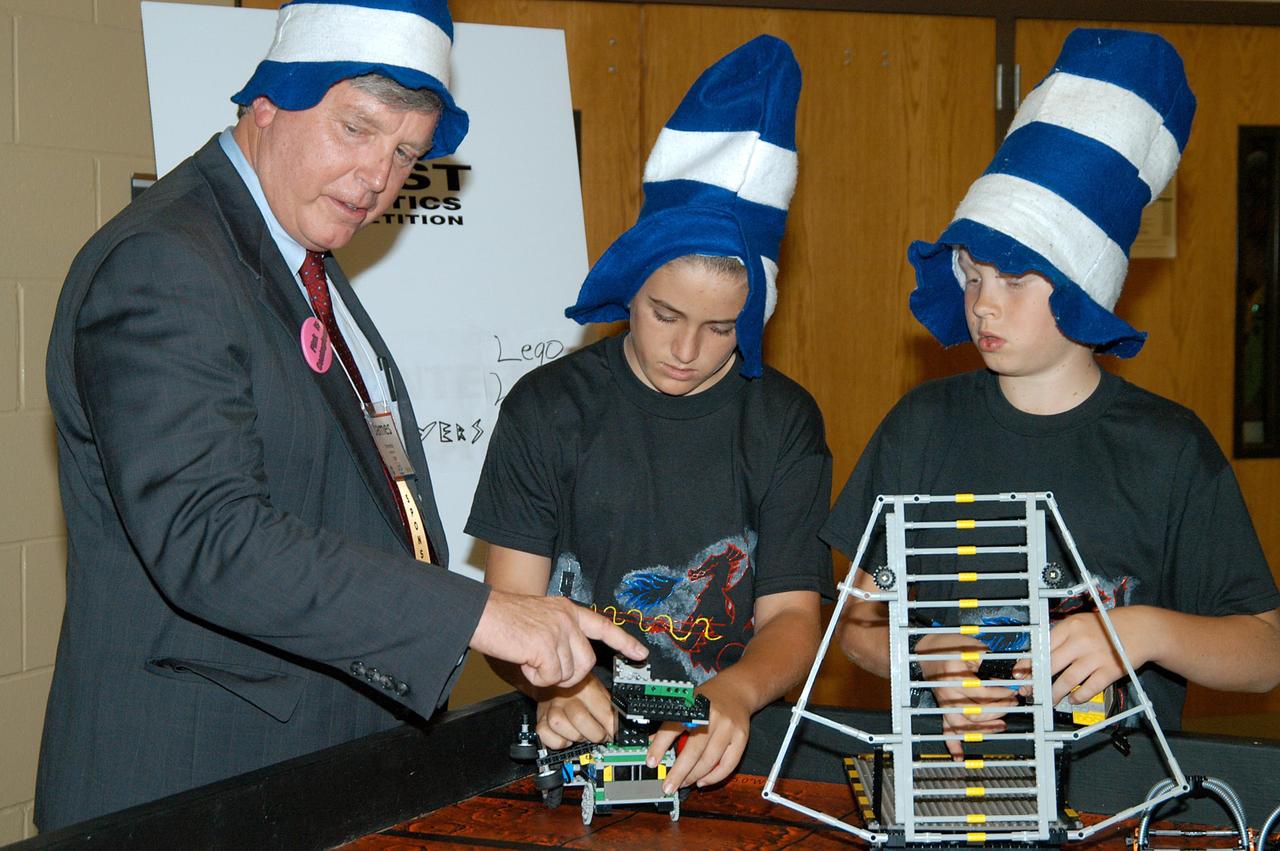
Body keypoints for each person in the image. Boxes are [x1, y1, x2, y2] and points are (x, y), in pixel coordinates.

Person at [35, 0, 643, 829]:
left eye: (405, 154)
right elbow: (212, 537)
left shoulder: (300, 257)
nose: (376, 179)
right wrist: (478, 614)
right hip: (190, 788)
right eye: (356, 129)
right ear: (268, 102)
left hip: (309, 774)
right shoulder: (168, 263)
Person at [824, 28, 1280, 759]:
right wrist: (918, 651)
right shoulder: (921, 426)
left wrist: (1144, 630)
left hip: (1119, 797)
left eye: (1013, 279)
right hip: (951, 786)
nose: (983, 303)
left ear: (1081, 287)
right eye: (971, 275)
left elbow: (1264, 653)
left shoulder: (1169, 450)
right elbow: (856, 626)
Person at [466, 36, 834, 795]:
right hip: (573, 741)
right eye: (665, 314)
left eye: (722, 329)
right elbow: (511, 607)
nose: (686, 351)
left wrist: (736, 691)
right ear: (629, 284)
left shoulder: (784, 422)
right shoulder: (548, 408)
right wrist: (554, 685)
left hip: (731, 751)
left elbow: (794, 617)